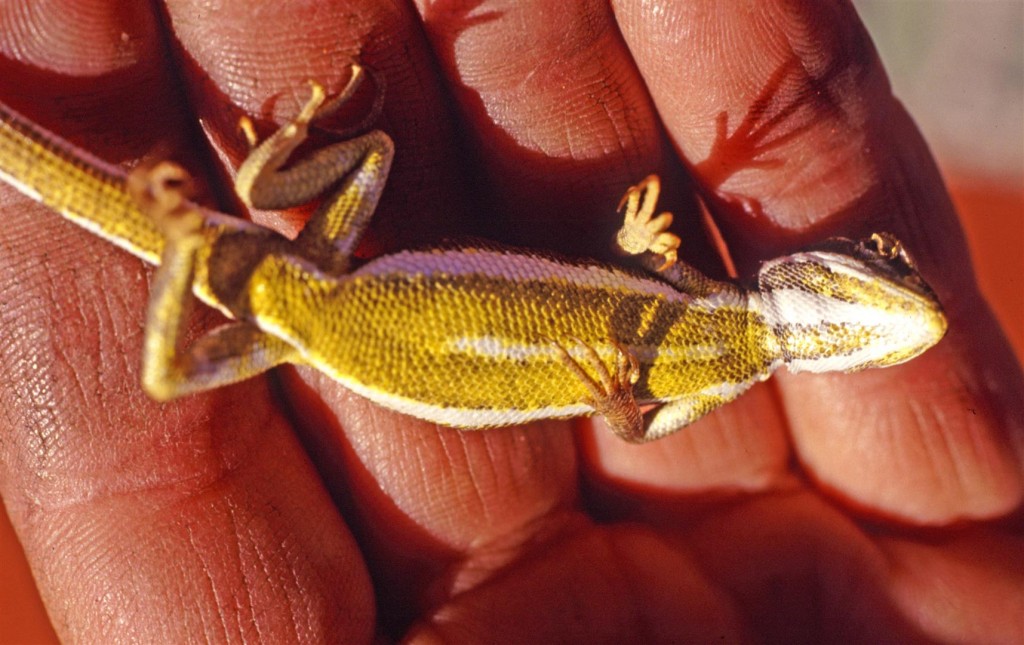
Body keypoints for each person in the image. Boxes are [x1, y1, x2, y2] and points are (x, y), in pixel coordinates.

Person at [0, 1, 1020, 641]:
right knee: (368, 166)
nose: (858, 256)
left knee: (184, 367)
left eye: (864, 265)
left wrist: (627, 391)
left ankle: (199, 236)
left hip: (335, 315)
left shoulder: (713, 358)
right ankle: (240, 196)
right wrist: (641, 247)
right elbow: (650, 300)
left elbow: (636, 419)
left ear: (823, 297)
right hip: (339, 289)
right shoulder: (714, 326)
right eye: (868, 262)